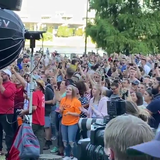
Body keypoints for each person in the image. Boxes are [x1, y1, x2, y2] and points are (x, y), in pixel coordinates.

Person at [20, 79, 45, 154]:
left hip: (35, 120)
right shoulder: (41, 94)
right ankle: (39, 154)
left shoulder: (35, 94)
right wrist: (27, 98)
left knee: (29, 138)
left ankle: (29, 154)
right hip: (41, 119)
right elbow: (37, 103)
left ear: (38, 86)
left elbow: (34, 108)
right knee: (40, 139)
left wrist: (24, 112)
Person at [59, 85, 81, 160]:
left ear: (73, 92)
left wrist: (69, 113)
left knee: (71, 141)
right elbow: (61, 110)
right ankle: (67, 155)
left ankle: (75, 156)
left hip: (73, 123)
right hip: (64, 122)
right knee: (65, 140)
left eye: (70, 90)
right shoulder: (63, 100)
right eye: (67, 89)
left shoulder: (76, 101)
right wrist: (60, 110)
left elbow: (78, 114)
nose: (68, 90)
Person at [0, 69, 16, 155]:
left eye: (4, 73)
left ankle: (10, 150)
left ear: (8, 75)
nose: (2, 75)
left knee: (8, 132)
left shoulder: (11, 85)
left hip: (7, 112)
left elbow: (6, 94)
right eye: (1, 73)